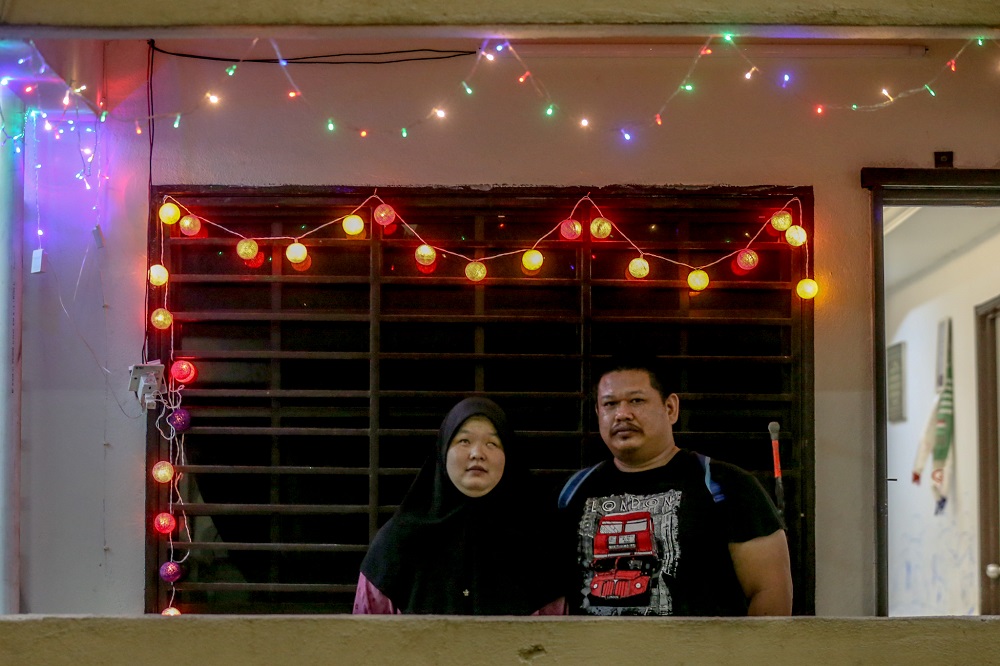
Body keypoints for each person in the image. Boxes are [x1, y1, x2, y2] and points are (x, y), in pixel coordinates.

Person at [559, 357, 793, 616]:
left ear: (670, 408)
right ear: (598, 414)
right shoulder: (574, 490)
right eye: (610, 404)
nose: (622, 414)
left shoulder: (725, 485)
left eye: (636, 400)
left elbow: (770, 593)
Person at [354, 396, 566, 615]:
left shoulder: (537, 544)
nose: (477, 454)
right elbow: (365, 636)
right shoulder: (398, 542)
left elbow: (559, 637)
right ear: (443, 450)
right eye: (464, 441)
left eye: (492, 443)